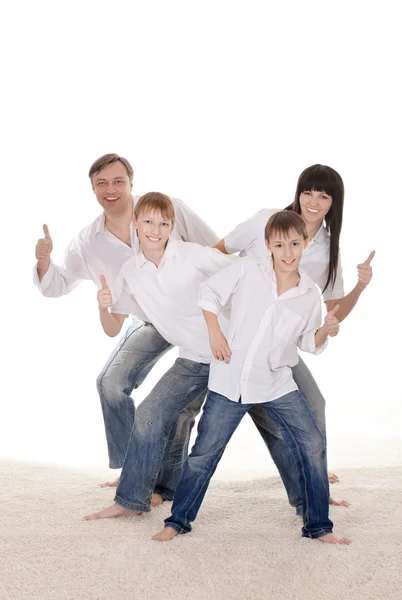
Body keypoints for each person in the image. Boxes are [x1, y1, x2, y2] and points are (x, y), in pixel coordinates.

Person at [153, 210, 350, 545]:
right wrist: (215, 333)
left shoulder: (308, 294)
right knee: (204, 455)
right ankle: (178, 522)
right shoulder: (246, 270)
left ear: (304, 243)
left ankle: (318, 526)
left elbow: (307, 344)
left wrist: (325, 331)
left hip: (276, 384)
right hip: (229, 381)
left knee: (313, 444)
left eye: (295, 244)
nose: (288, 252)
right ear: (267, 245)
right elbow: (208, 295)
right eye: (279, 244)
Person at [34, 153, 219, 503]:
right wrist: (44, 263)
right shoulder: (88, 242)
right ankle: (134, 467)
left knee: (180, 410)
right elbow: (58, 284)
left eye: (118, 181)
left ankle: (164, 486)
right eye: (101, 183)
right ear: (93, 190)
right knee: (110, 382)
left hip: (195, 317)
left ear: (131, 184)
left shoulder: (167, 211)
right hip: (149, 320)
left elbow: (217, 247)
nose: (111, 189)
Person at [212, 164, 374, 514]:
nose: (313, 201)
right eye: (308, 192)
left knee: (313, 404)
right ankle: (159, 485)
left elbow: (333, 310)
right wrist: (211, 310)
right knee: (194, 406)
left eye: (323, 195)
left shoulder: (327, 250)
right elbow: (219, 251)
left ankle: (313, 490)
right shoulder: (267, 219)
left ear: (334, 202)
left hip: (276, 347)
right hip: (228, 338)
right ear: (298, 192)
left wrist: (360, 287)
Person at [84, 192, 235, 519]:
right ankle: (131, 501)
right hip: (195, 358)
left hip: (235, 352)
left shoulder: (193, 255)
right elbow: (113, 328)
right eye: (148, 221)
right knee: (150, 413)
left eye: (163, 223)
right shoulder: (131, 272)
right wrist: (101, 306)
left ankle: (316, 492)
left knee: (279, 420)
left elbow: (242, 273)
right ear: (135, 223)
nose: (155, 229)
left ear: (172, 226)